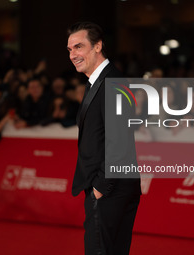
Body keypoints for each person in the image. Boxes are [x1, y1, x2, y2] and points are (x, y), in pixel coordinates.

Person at [67, 21, 141, 255]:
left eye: (79, 47)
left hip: (110, 191)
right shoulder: (99, 82)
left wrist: (100, 187)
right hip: (113, 189)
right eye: (69, 50)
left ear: (98, 46)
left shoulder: (112, 82)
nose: (73, 55)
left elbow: (119, 141)